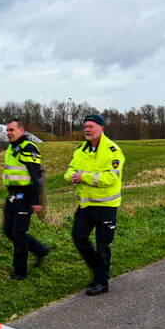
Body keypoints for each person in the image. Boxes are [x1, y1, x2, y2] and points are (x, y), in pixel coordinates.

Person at [64, 113, 125, 296]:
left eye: (91, 126)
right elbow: (70, 170)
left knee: (102, 245)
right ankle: (99, 271)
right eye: (85, 127)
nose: (87, 130)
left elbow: (110, 178)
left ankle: (101, 282)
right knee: (79, 237)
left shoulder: (112, 151)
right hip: (86, 205)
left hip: (106, 206)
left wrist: (84, 177)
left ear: (101, 128)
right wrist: (72, 177)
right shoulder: (80, 150)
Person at [2, 118, 51, 280]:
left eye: (12, 130)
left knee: (18, 233)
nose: (9, 133)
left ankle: (20, 272)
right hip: (12, 196)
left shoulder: (29, 147)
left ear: (21, 131)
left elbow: (36, 176)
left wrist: (35, 201)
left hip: (26, 196)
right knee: (8, 230)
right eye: (7, 130)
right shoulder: (11, 148)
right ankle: (39, 249)